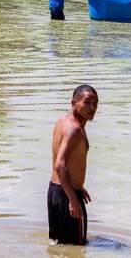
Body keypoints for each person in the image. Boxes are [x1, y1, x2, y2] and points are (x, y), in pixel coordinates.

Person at [48, 85, 99, 245]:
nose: (92, 108)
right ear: (74, 103)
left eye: (96, 103)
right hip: (67, 195)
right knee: (78, 248)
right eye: (87, 102)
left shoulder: (62, 121)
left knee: (59, 246)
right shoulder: (75, 130)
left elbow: (64, 160)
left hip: (55, 192)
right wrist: (73, 199)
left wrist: (77, 184)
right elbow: (60, 165)